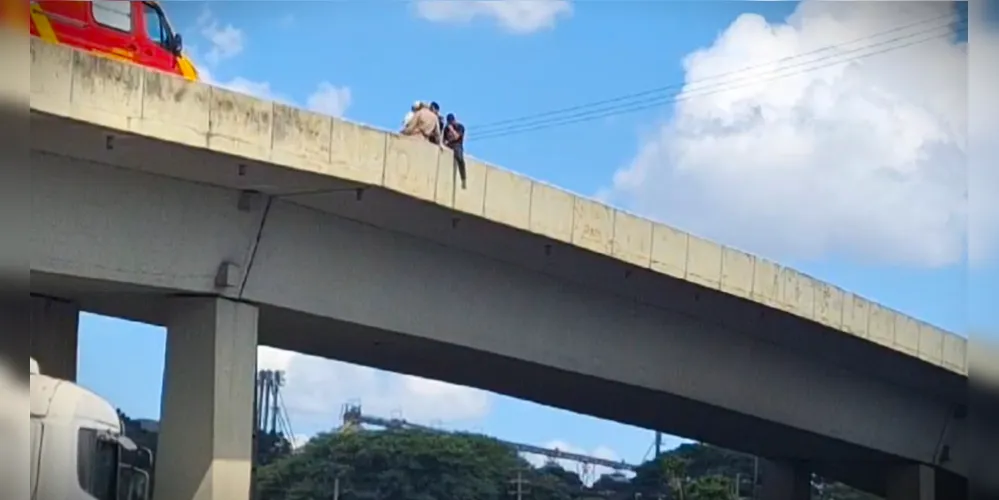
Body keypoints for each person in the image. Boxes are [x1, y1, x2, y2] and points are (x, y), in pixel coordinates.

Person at [444, 113, 467, 189]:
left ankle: (463, 179)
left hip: (457, 145)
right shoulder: (446, 129)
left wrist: (452, 129)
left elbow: (457, 137)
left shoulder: (460, 127)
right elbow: (444, 139)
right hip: (449, 145)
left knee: (460, 159)